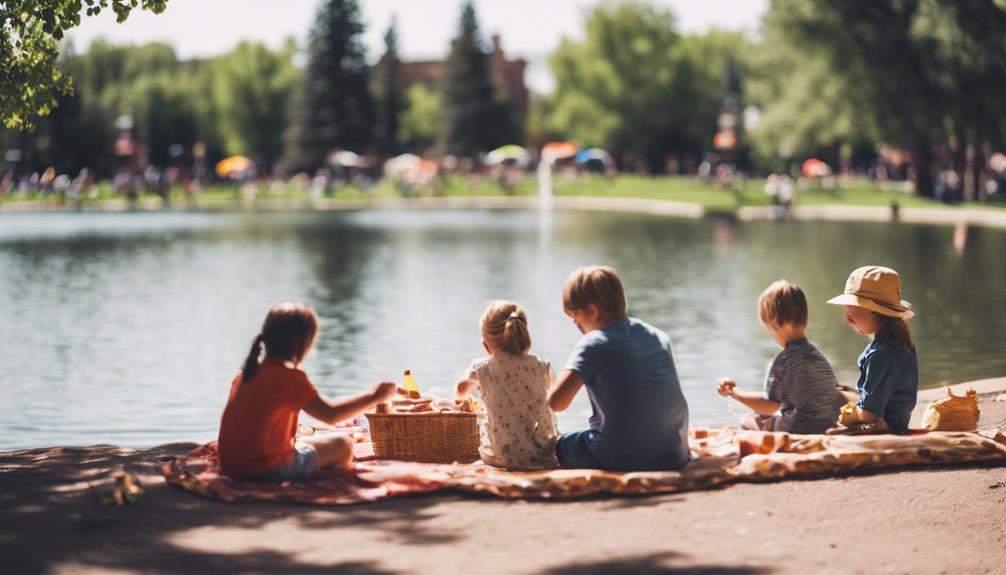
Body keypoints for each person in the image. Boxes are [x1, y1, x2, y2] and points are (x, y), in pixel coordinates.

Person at [218, 301, 397, 482]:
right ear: (304, 344)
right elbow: (331, 414)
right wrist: (374, 396)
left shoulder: (245, 374)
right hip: (266, 471)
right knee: (343, 445)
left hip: (231, 466)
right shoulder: (289, 378)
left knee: (305, 432)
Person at [548, 266, 690, 471]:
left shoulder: (593, 343)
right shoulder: (659, 336)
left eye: (575, 314)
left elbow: (556, 402)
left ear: (592, 310)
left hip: (619, 457)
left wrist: (548, 378)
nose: (574, 322)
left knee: (559, 445)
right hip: (674, 454)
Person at [717, 280, 841, 434]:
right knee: (770, 414)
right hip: (827, 426)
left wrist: (734, 393)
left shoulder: (784, 360)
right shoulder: (818, 357)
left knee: (748, 420)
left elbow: (769, 405)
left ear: (774, 324)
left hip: (799, 429)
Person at [455, 301, 560, 470]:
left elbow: (460, 390)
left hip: (502, 457)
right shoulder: (543, 366)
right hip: (544, 455)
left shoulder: (481, 367)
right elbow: (556, 399)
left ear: (485, 345)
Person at [826, 266, 918, 434]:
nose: (848, 323)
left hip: (884, 426)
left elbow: (869, 414)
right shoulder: (905, 344)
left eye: (850, 317)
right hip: (899, 422)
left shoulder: (879, 354)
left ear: (872, 311)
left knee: (828, 425)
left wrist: (849, 414)